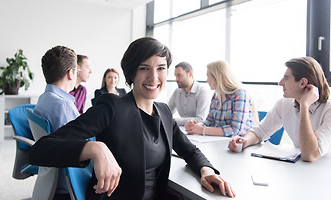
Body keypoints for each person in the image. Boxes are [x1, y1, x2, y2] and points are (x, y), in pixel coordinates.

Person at [29, 37, 235, 199]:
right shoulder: (112, 107)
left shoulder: (163, 112)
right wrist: (95, 148)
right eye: (144, 68)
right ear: (131, 73)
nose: (154, 77)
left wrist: (206, 171)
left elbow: (189, 150)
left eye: (161, 68)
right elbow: (39, 150)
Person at [228, 57, 331, 162]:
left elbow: (310, 155)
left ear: (302, 83)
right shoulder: (284, 104)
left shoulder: (328, 110)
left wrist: (305, 105)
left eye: (286, 78)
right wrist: (244, 141)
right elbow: (260, 131)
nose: (280, 83)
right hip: (302, 169)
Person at [35, 46, 84, 199]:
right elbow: (77, 148)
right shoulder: (63, 106)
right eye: (77, 72)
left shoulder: (44, 98)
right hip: (68, 182)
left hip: (53, 176)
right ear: (71, 73)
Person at [185, 60, 257, 137]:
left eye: (208, 77)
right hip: (222, 141)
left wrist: (202, 130)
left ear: (217, 78)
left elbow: (235, 130)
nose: (207, 80)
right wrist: (195, 126)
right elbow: (210, 121)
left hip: (242, 143)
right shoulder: (216, 95)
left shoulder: (240, 95)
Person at [168, 62, 212, 126]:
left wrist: (172, 121)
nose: (176, 79)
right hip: (182, 129)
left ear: (190, 74)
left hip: (198, 132)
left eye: (179, 75)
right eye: (175, 76)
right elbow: (167, 112)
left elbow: (200, 119)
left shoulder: (202, 92)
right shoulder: (177, 92)